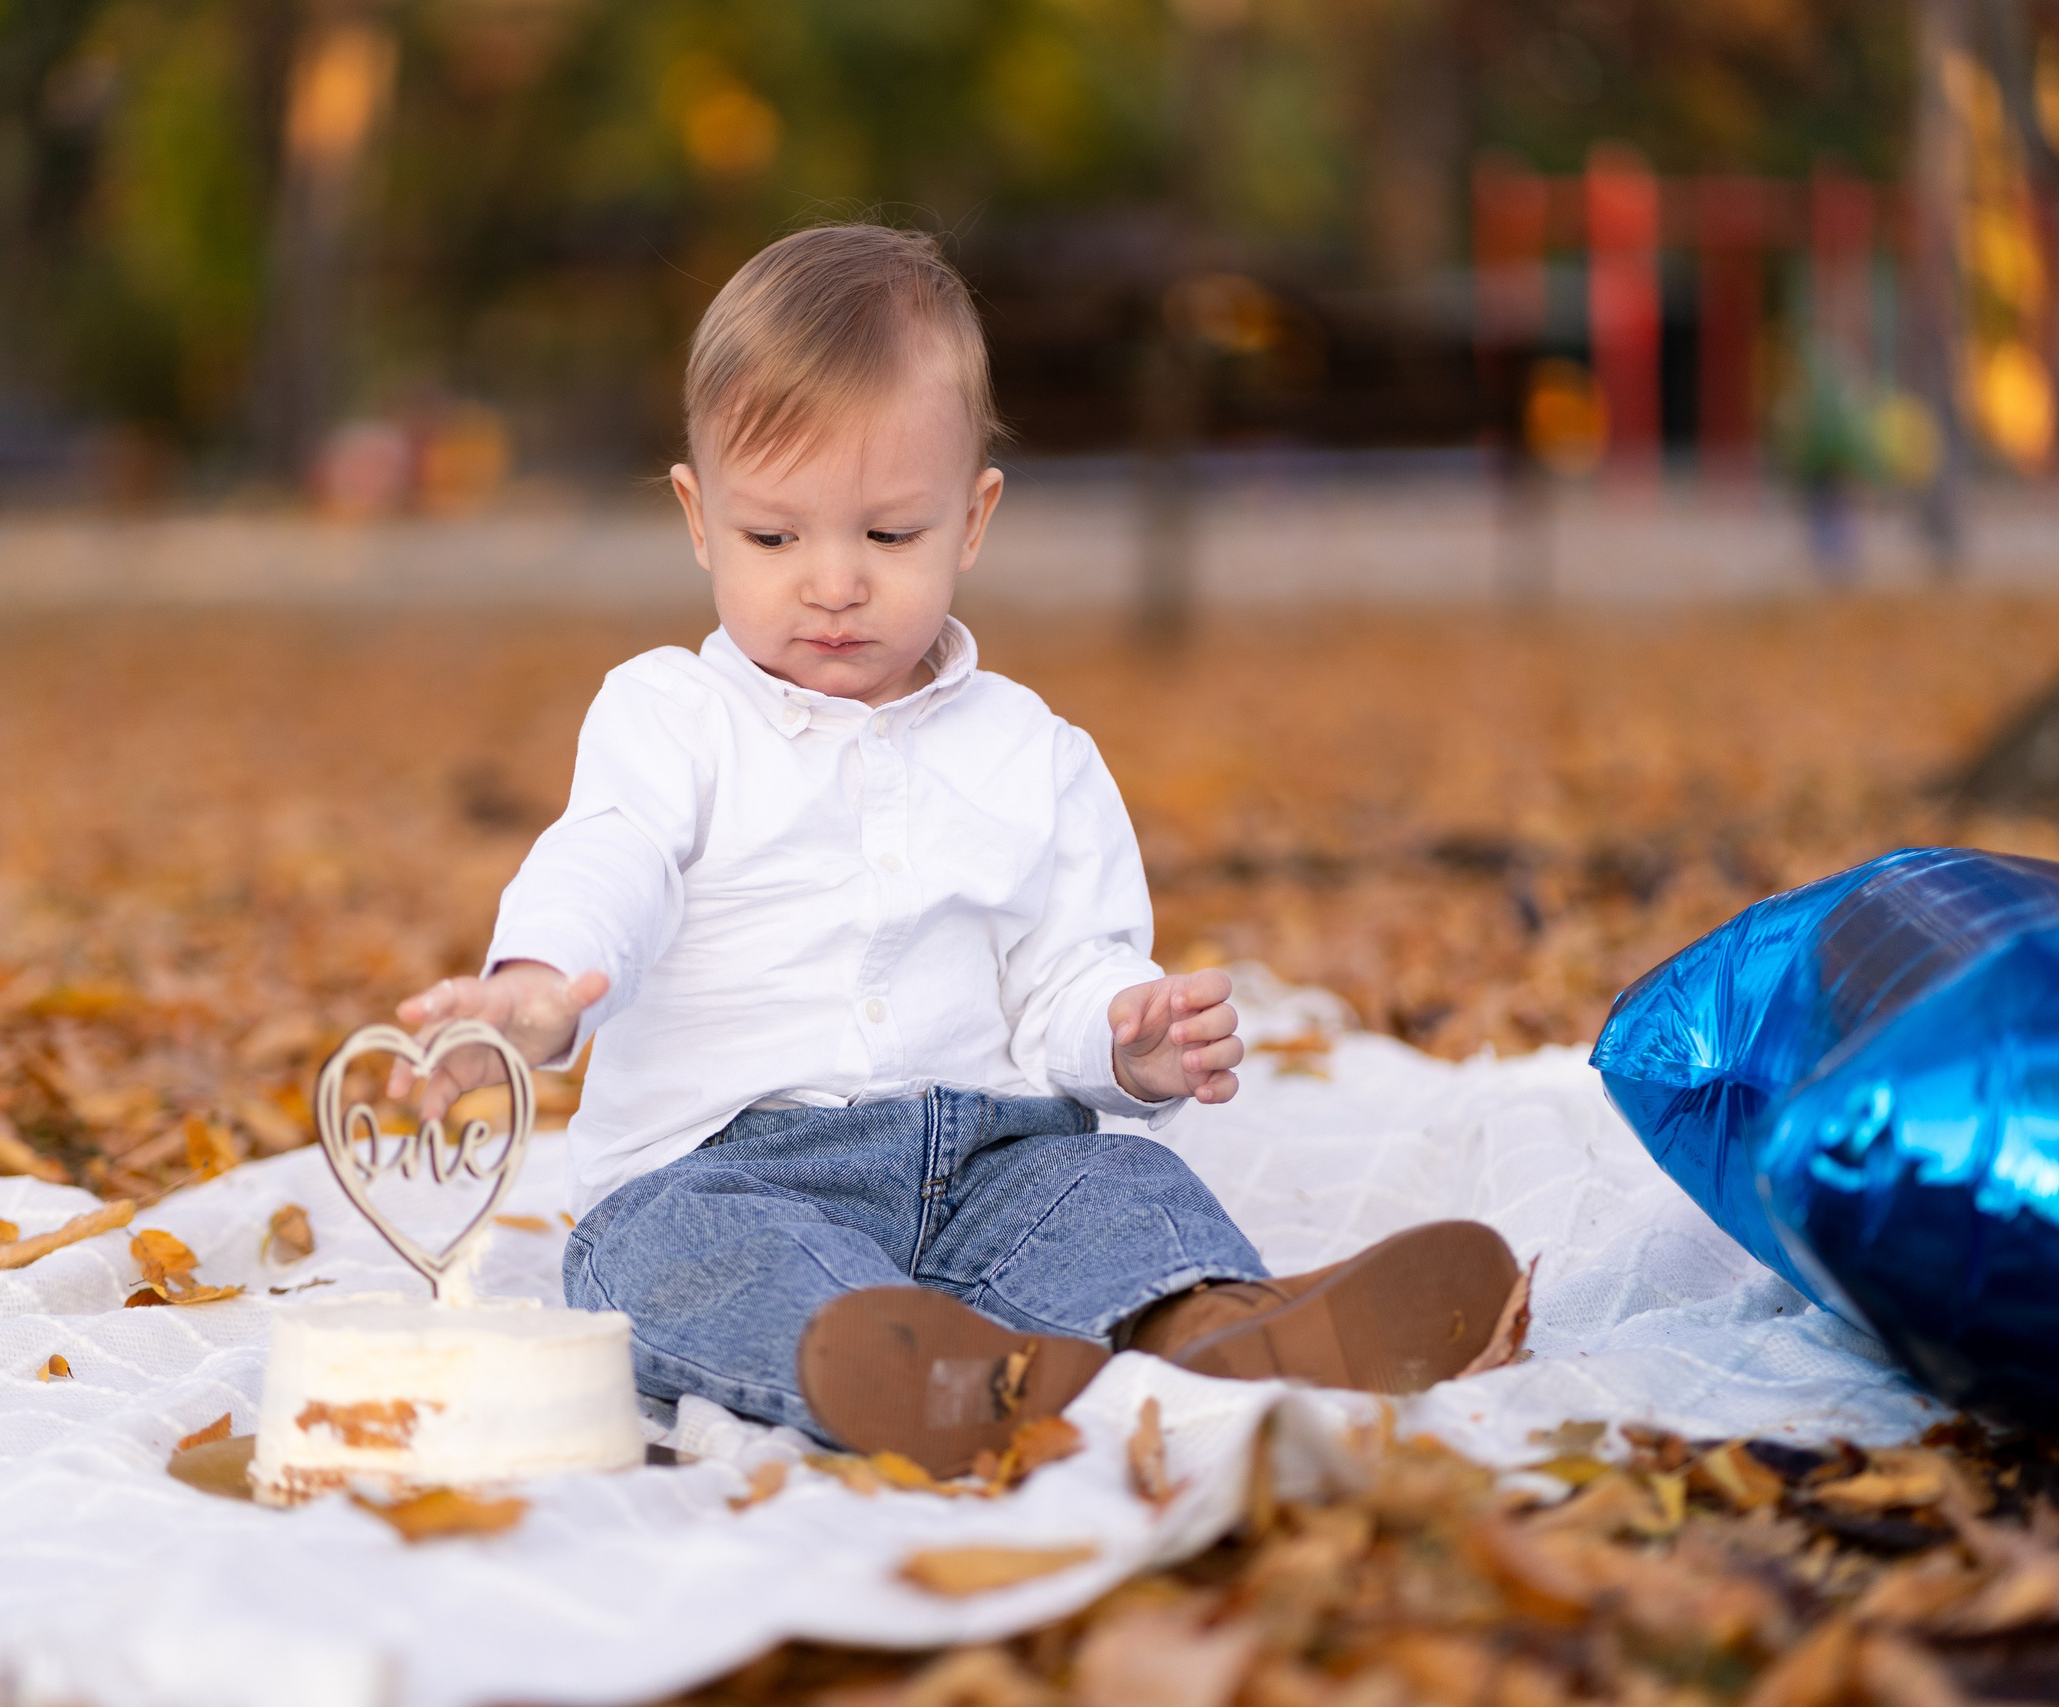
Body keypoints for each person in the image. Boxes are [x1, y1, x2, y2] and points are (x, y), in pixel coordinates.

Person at [393, 225, 1526, 1474]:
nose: (832, 583)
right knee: (686, 1261)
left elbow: (1064, 968)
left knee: (1114, 1194)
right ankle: (922, 1374)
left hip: (983, 1152)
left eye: (888, 537)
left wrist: (1123, 1039)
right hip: (720, 1168)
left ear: (970, 518)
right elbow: (605, 858)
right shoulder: (671, 715)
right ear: (698, 517)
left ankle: (1216, 1327)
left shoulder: (1032, 752)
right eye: (775, 538)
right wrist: (537, 987)